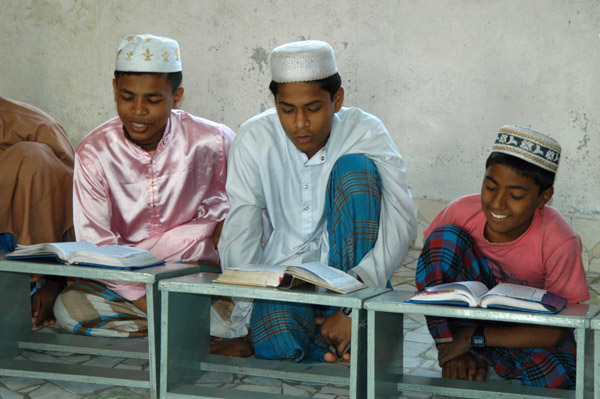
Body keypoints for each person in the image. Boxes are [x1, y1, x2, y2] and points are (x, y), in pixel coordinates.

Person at [218, 40, 418, 363]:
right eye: (287, 109)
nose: (300, 123)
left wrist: (350, 306)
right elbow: (240, 230)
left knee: (356, 172)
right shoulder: (254, 138)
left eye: (312, 108)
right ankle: (338, 343)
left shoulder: (365, 132)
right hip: (284, 279)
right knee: (276, 339)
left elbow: (402, 220)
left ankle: (351, 322)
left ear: (336, 100)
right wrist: (247, 316)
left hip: (354, 278)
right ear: (275, 102)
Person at [53, 34, 235, 338]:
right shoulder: (94, 152)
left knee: (245, 309)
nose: (138, 111)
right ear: (114, 90)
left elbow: (243, 211)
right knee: (69, 308)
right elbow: (96, 245)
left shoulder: (214, 141)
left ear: (176, 98)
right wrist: (148, 302)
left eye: (152, 100)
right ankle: (182, 329)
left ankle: (170, 329)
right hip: (126, 281)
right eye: (127, 97)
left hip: (196, 272)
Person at [415, 126, 589, 389]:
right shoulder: (459, 212)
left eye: (516, 195)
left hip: (522, 331)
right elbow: (431, 277)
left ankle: (481, 357)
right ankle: (457, 355)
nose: (497, 204)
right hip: (462, 326)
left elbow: (557, 329)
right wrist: (453, 344)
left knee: (560, 373)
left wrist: (475, 338)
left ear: (544, 197)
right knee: (443, 240)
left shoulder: (560, 240)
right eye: (490, 186)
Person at [0, 96, 74, 328]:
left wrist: (54, 279)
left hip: (28, 248)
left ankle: (39, 282)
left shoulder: (35, 125)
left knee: (32, 158)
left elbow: (73, 198)